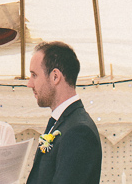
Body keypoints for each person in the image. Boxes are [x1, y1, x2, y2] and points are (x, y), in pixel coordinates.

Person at [25, 42, 101, 184]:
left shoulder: (79, 132)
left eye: (34, 75)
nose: (29, 83)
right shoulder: (64, 123)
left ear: (55, 76)